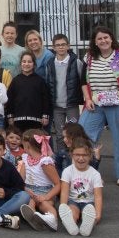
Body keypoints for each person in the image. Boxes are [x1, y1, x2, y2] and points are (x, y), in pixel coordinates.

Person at [79, 26, 119, 186]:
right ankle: (84, 169)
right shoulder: (89, 57)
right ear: (95, 42)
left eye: (106, 37)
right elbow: (83, 81)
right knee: (82, 133)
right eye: (99, 38)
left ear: (111, 38)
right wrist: (87, 99)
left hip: (118, 103)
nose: (103, 41)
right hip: (95, 103)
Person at [44, 33, 84, 167]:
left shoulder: (76, 62)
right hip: (57, 106)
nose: (61, 47)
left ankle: (75, 160)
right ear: (53, 48)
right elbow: (48, 83)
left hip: (71, 104)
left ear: (68, 46)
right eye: (58, 45)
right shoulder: (50, 64)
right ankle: (62, 162)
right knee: (60, 135)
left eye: (63, 45)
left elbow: (83, 81)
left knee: (74, 134)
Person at [57, 139, 105, 236]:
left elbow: (98, 196)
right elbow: (64, 192)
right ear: (71, 155)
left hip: (89, 202)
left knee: (89, 214)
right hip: (73, 201)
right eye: (77, 155)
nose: (81, 158)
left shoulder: (95, 174)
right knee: (72, 213)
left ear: (90, 156)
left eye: (85, 155)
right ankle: (71, 223)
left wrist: (98, 214)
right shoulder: (67, 171)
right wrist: (63, 206)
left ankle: (87, 225)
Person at [18, 131, 62, 231]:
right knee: (31, 202)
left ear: (28, 145)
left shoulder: (45, 162)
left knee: (43, 204)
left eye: (23, 144)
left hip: (45, 192)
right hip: (29, 190)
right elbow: (20, 180)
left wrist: (46, 197)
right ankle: (35, 219)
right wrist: (25, 189)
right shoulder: (26, 159)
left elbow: (58, 184)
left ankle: (52, 219)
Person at [6, 52, 52, 135]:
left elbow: (45, 99)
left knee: (33, 141)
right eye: (24, 61)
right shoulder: (15, 81)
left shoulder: (40, 81)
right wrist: (10, 116)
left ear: (34, 64)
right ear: (20, 64)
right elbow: (10, 100)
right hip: (18, 120)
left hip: (36, 120)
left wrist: (45, 115)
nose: (26, 64)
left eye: (29, 62)